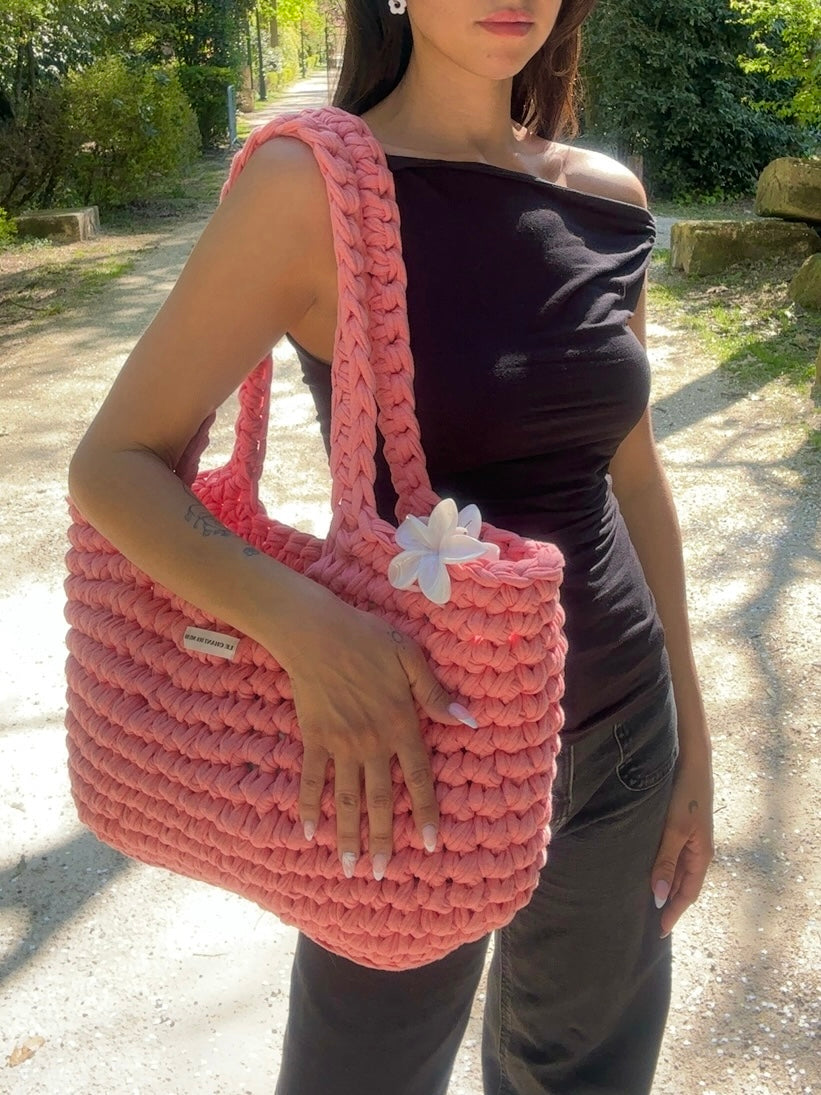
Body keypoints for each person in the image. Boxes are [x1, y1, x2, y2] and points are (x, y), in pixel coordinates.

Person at [68, 1, 715, 1092]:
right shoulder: (313, 186)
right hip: (400, 750)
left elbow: (634, 477)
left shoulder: (608, 199)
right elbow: (114, 464)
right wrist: (305, 630)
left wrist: (691, 740)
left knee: (587, 1074)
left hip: (617, 744)